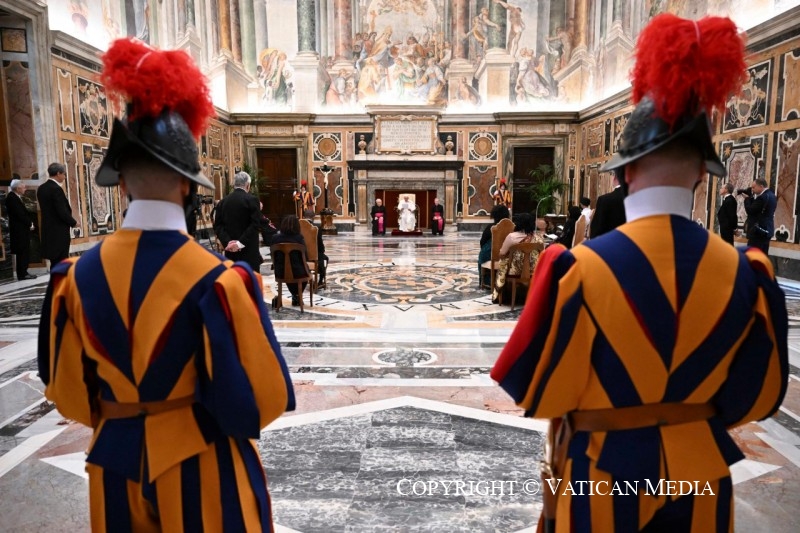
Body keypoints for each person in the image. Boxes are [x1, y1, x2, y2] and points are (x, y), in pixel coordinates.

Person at [491, 15, 787, 532]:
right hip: (701, 481)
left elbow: (538, 390)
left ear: (625, 172)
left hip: (601, 478)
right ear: (703, 175)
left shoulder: (579, 268)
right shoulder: (748, 274)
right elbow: (759, 395)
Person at [37, 38, 294, 532]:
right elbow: (266, 397)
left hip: (113, 468)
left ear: (121, 183)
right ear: (188, 184)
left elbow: (68, 395)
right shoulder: (221, 281)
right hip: (203, 464)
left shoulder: (73, 279)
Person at [213, 171, 263, 271]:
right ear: (248, 185)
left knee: (234, 278)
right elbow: (255, 224)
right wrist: (239, 243)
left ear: (234, 185)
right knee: (249, 279)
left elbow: (218, 226)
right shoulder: (252, 200)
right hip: (249, 253)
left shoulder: (223, 202)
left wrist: (228, 242)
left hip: (230, 253)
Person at [492, 213, 543, 303]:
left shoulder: (511, 237)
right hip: (533, 270)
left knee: (503, 263)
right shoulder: (539, 238)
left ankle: (501, 295)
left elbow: (502, 253)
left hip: (515, 271)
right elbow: (543, 254)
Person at [37, 162, 77, 265]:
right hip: (59, 231)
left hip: (48, 230)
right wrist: (73, 222)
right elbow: (61, 211)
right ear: (58, 173)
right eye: (64, 174)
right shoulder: (56, 189)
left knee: (54, 262)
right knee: (61, 260)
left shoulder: (41, 188)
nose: (64, 177)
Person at [271, 214, 307, 306]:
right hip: (298, 272)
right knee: (305, 273)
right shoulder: (299, 238)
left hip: (280, 272)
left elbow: (273, 256)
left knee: (288, 273)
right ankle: (296, 295)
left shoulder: (275, 238)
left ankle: (295, 295)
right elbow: (305, 255)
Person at [5, 179, 36, 280]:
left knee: (24, 251)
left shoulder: (15, 197)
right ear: (18, 188)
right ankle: (22, 274)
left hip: (21, 229)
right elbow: (20, 214)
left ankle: (24, 272)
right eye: (23, 187)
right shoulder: (12, 198)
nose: (25, 189)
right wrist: (30, 223)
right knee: (22, 251)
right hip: (19, 231)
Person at [479, 204, 510, 286]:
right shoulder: (512, 227)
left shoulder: (491, 227)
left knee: (481, 257)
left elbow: (482, 242)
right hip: (507, 256)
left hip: (491, 256)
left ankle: (486, 281)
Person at [743, 178, 777, 254]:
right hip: (767, 229)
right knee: (763, 254)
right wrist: (751, 199)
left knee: (753, 255)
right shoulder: (772, 195)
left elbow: (750, 211)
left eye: (753, 187)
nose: (752, 190)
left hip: (758, 231)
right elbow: (758, 208)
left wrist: (746, 199)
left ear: (761, 186)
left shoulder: (762, 197)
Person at [589, 173, 625, 238]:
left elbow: (596, 231)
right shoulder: (638, 199)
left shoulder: (604, 200)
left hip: (609, 242)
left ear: (615, 178)